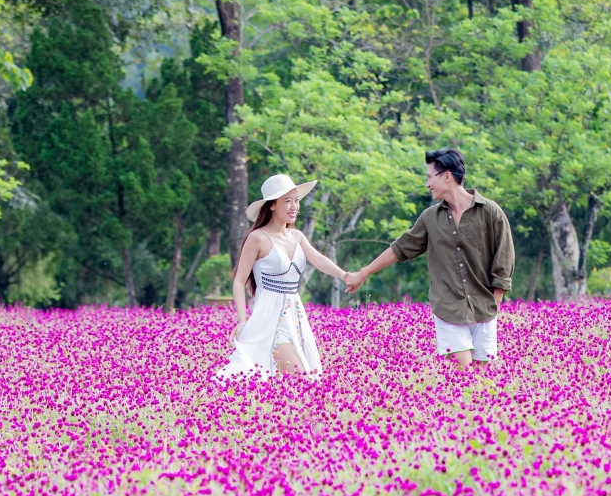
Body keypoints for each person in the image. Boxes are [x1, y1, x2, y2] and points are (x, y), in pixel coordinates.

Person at [344, 148, 514, 368]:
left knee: (483, 379)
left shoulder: (490, 212)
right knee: (462, 373)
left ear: (446, 176)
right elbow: (400, 248)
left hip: (484, 306)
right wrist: (363, 273)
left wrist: (497, 297)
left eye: (429, 177)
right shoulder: (430, 217)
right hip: (448, 307)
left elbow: (504, 256)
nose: (427, 184)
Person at [218, 173, 349, 379]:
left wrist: (344, 275)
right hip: (269, 321)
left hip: (295, 319)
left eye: (296, 201)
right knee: (301, 377)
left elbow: (319, 259)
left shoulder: (297, 236)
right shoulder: (258, 238)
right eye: (287, 201)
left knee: (296, 382)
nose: (294, 207)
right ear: (272, 205)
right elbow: (239, 280)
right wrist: (242, 320)